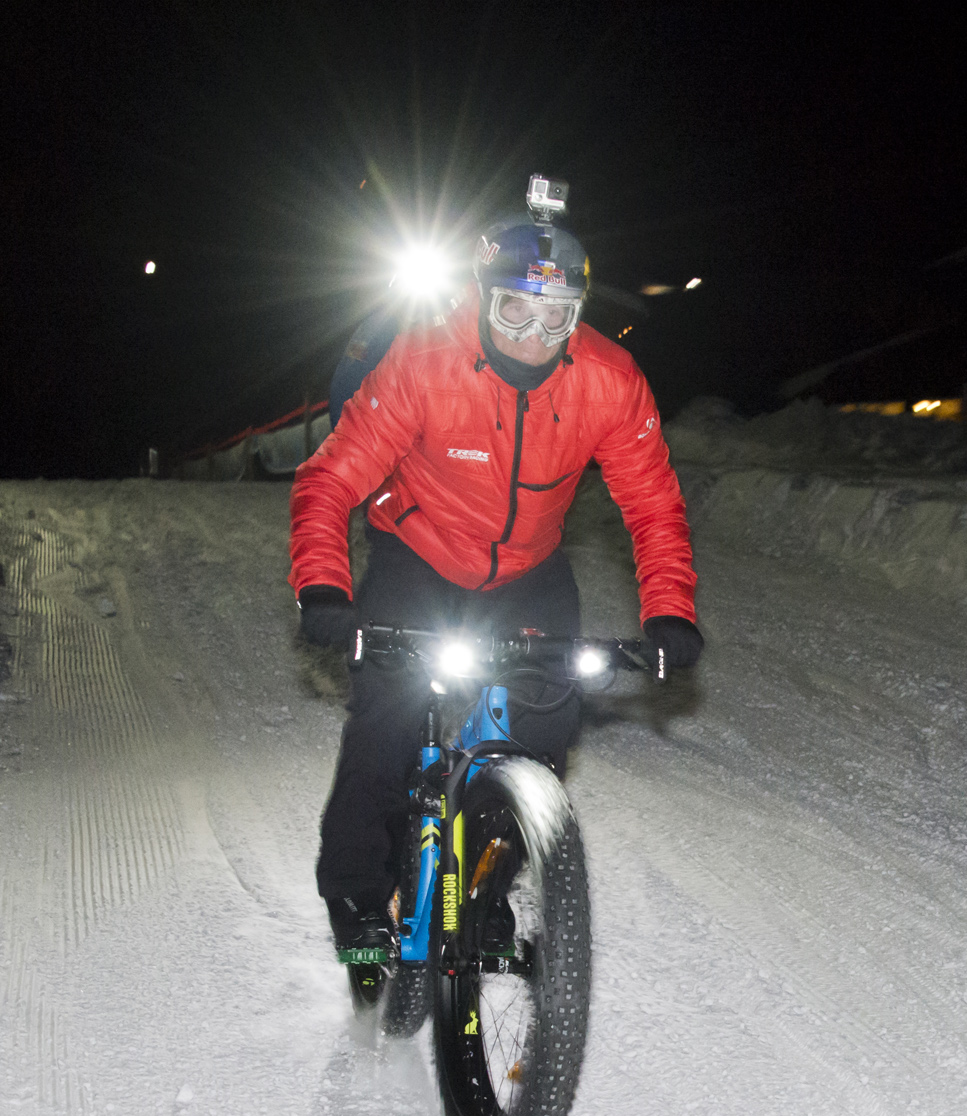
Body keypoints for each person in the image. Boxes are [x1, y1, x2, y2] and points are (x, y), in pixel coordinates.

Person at [288, 182, 704, 963]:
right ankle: (353, 886)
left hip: (528, 570)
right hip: (419, 553)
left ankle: (484, 879)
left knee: (546, 733)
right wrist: (324, 589)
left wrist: (670, 611)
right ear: (481, 299)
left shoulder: (609, 382)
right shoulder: (424, 361)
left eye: (557, 319)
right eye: (514, 310)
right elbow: (329, 480)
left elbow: (653, 504)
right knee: (388, 718)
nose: (534, 334)